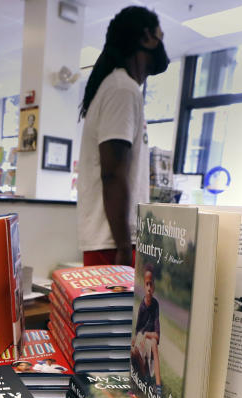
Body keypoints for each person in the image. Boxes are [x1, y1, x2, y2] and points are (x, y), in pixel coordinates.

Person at [77, 6, 168, 267]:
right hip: (112, 243)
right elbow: (113, 173)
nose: (163, 43)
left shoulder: (119, 87)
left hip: (112, 241)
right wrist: (123, 247)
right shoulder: (122, 89)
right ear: (147, 37)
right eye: (161, 35)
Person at [131, 263, 160, 387]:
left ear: (154, 286)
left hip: (149, 341)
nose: (149, 288)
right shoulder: (142, 307)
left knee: (152, 343)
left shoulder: (155, 305)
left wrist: (146, 335)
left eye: (151, 284)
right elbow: (137, 330)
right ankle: (141, 377)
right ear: (144, 286)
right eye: (146, 284)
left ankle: (156, 384)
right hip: (141, 341)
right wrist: (138, 338)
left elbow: (157, 335)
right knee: (133, 350)